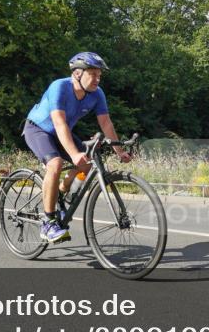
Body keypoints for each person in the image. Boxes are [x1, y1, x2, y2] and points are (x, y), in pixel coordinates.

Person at [22, 52, 132, 244]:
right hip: (38, 129)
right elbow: (59, 123)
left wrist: (119, 150)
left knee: (87, 165)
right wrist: (73, 154)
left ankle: (62, 191)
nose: (98, 79)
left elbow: (106, 123)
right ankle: (48, 222)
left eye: (100, 75)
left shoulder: (97, 94)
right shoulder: (60, 87)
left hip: (60, 132)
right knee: (55, 164)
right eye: (93, 74)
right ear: (77, 74)